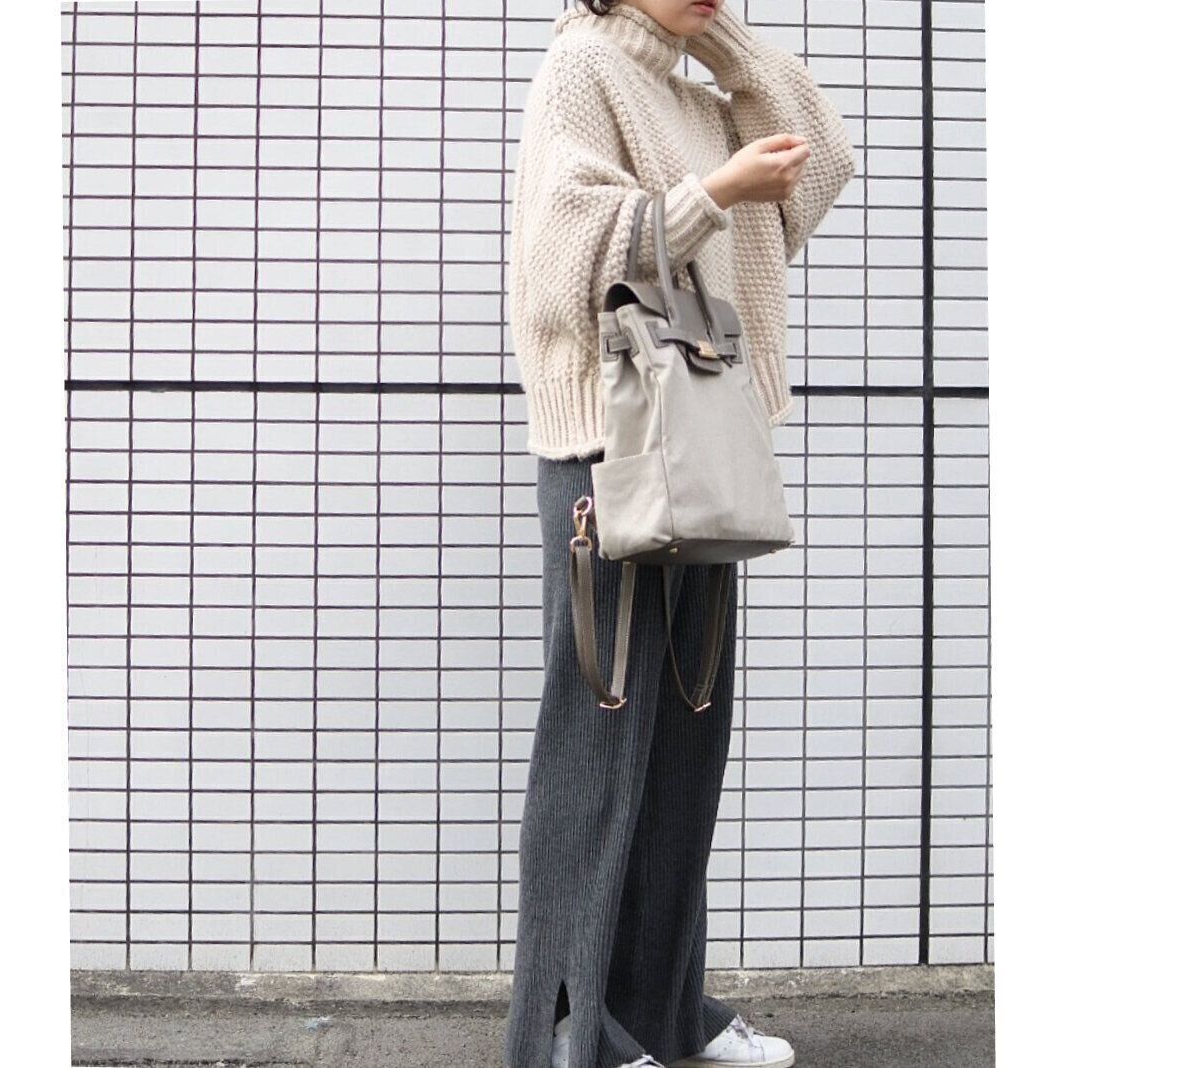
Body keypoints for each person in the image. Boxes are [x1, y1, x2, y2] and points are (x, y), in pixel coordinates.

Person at [502, 3, 855, 1067]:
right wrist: (716, 195)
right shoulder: (581, 68)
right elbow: (563, 262)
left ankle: (661, 1015)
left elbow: (824, 166)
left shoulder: (696, 90)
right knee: (601, 741)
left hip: (703, 440)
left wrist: (730, 50)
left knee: (683, 744)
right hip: (608, 447)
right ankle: (569, 1032)